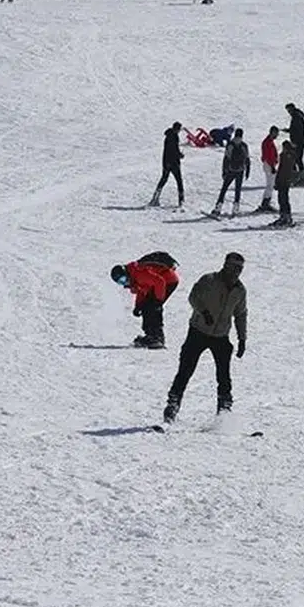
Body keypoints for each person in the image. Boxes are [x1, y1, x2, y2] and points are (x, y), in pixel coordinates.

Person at [163, 252, 247, 423]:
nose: (236, 271)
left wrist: (242, 339)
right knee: (185, 370)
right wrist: (204, 313)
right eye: (233, 267)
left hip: (221, 336)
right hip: (198, 332)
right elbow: (193, 296)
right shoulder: (209, 280)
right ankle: (172, 405)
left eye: (239, 268)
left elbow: (241, 314)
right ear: (225, 265)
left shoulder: (240, 290)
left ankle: (224, 413)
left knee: (224, 376)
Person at [111, 251, 180, 349]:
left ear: (126, 273)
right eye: (121, 282)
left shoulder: (139, 273)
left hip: (169, 281)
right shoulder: (134, 276)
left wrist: (158, 301)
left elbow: (160, 281)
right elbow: (143, 291)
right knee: (146, 306)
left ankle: (157, 337)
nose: (125, 282)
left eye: (124, 279)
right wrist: (138, 305)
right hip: (160, 284)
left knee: (152, 308)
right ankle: (151, 335)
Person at [210, 129, 251, 217]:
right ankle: (235, 209)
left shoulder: (230, 145)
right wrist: (247, 171)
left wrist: (224, 171)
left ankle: (218, 208)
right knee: (238, 189)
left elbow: (226, 158)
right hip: (240, 170)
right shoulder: (244, 145)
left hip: (231, 170)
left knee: (224, 189)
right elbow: (247, 159)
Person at [150, 122, 184, 208]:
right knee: (179, 181)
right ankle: (181, 201)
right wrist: (180, 155)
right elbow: (174, 150)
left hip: (166, 162)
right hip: (173, 163)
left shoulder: (168, 135)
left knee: (164, 179)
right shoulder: (174, 137)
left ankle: (155, 198)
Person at [282, 102, 304, 185]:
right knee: (297, 159)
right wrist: (288, 130)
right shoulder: (297, 116)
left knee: (296, 159)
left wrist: (296, 142)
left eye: (289, 110)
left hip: (299, 142)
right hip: (300, 141)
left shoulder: (296, 117)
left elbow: (299, 131)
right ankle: (300, 177)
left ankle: (299, 178)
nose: (288, 112)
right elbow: (295, 129)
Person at [272, 141, 297, 227]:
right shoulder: (289, 156)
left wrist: (278, 180)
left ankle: (285, 217)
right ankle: (285, 216)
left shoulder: (286, 156)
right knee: (283, 198)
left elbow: (282, 170)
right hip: (285, 181)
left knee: (283, 199)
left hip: (284, 181)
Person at [257, 126, 279, 212]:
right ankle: (265, 203)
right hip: (269, 165)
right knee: (270, 184)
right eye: (276, 133)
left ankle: (267, 201)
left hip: (270, 164)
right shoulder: (267, 142)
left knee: (271, 184)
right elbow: (267, 156)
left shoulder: (270, 141)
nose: (277, 135)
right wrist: (272, 166)